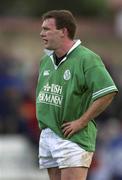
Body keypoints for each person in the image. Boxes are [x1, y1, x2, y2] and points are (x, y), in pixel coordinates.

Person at [36, 10, 118, 180]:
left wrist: (81, 121)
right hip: (48, 134)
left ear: (63, 31)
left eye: (46, 29)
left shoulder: (87, 58)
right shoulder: (46, 61)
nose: (41, 33)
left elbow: (108, 91)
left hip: (73, 137)